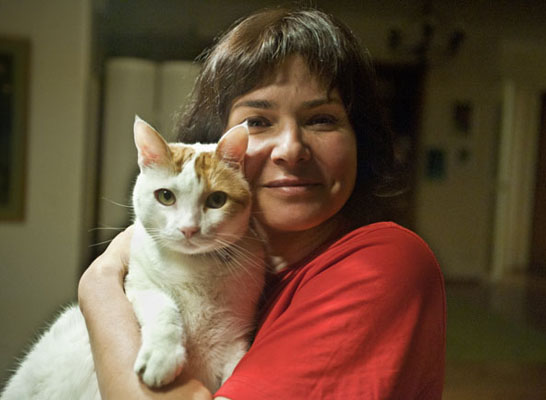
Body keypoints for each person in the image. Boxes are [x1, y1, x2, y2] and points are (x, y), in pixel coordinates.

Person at [78, 7, 446, 400]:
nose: (291, 149)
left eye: (321, 119)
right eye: (257, 122)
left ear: (360, 138)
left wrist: (98, 288)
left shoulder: (384, 263)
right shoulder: (237, 268)